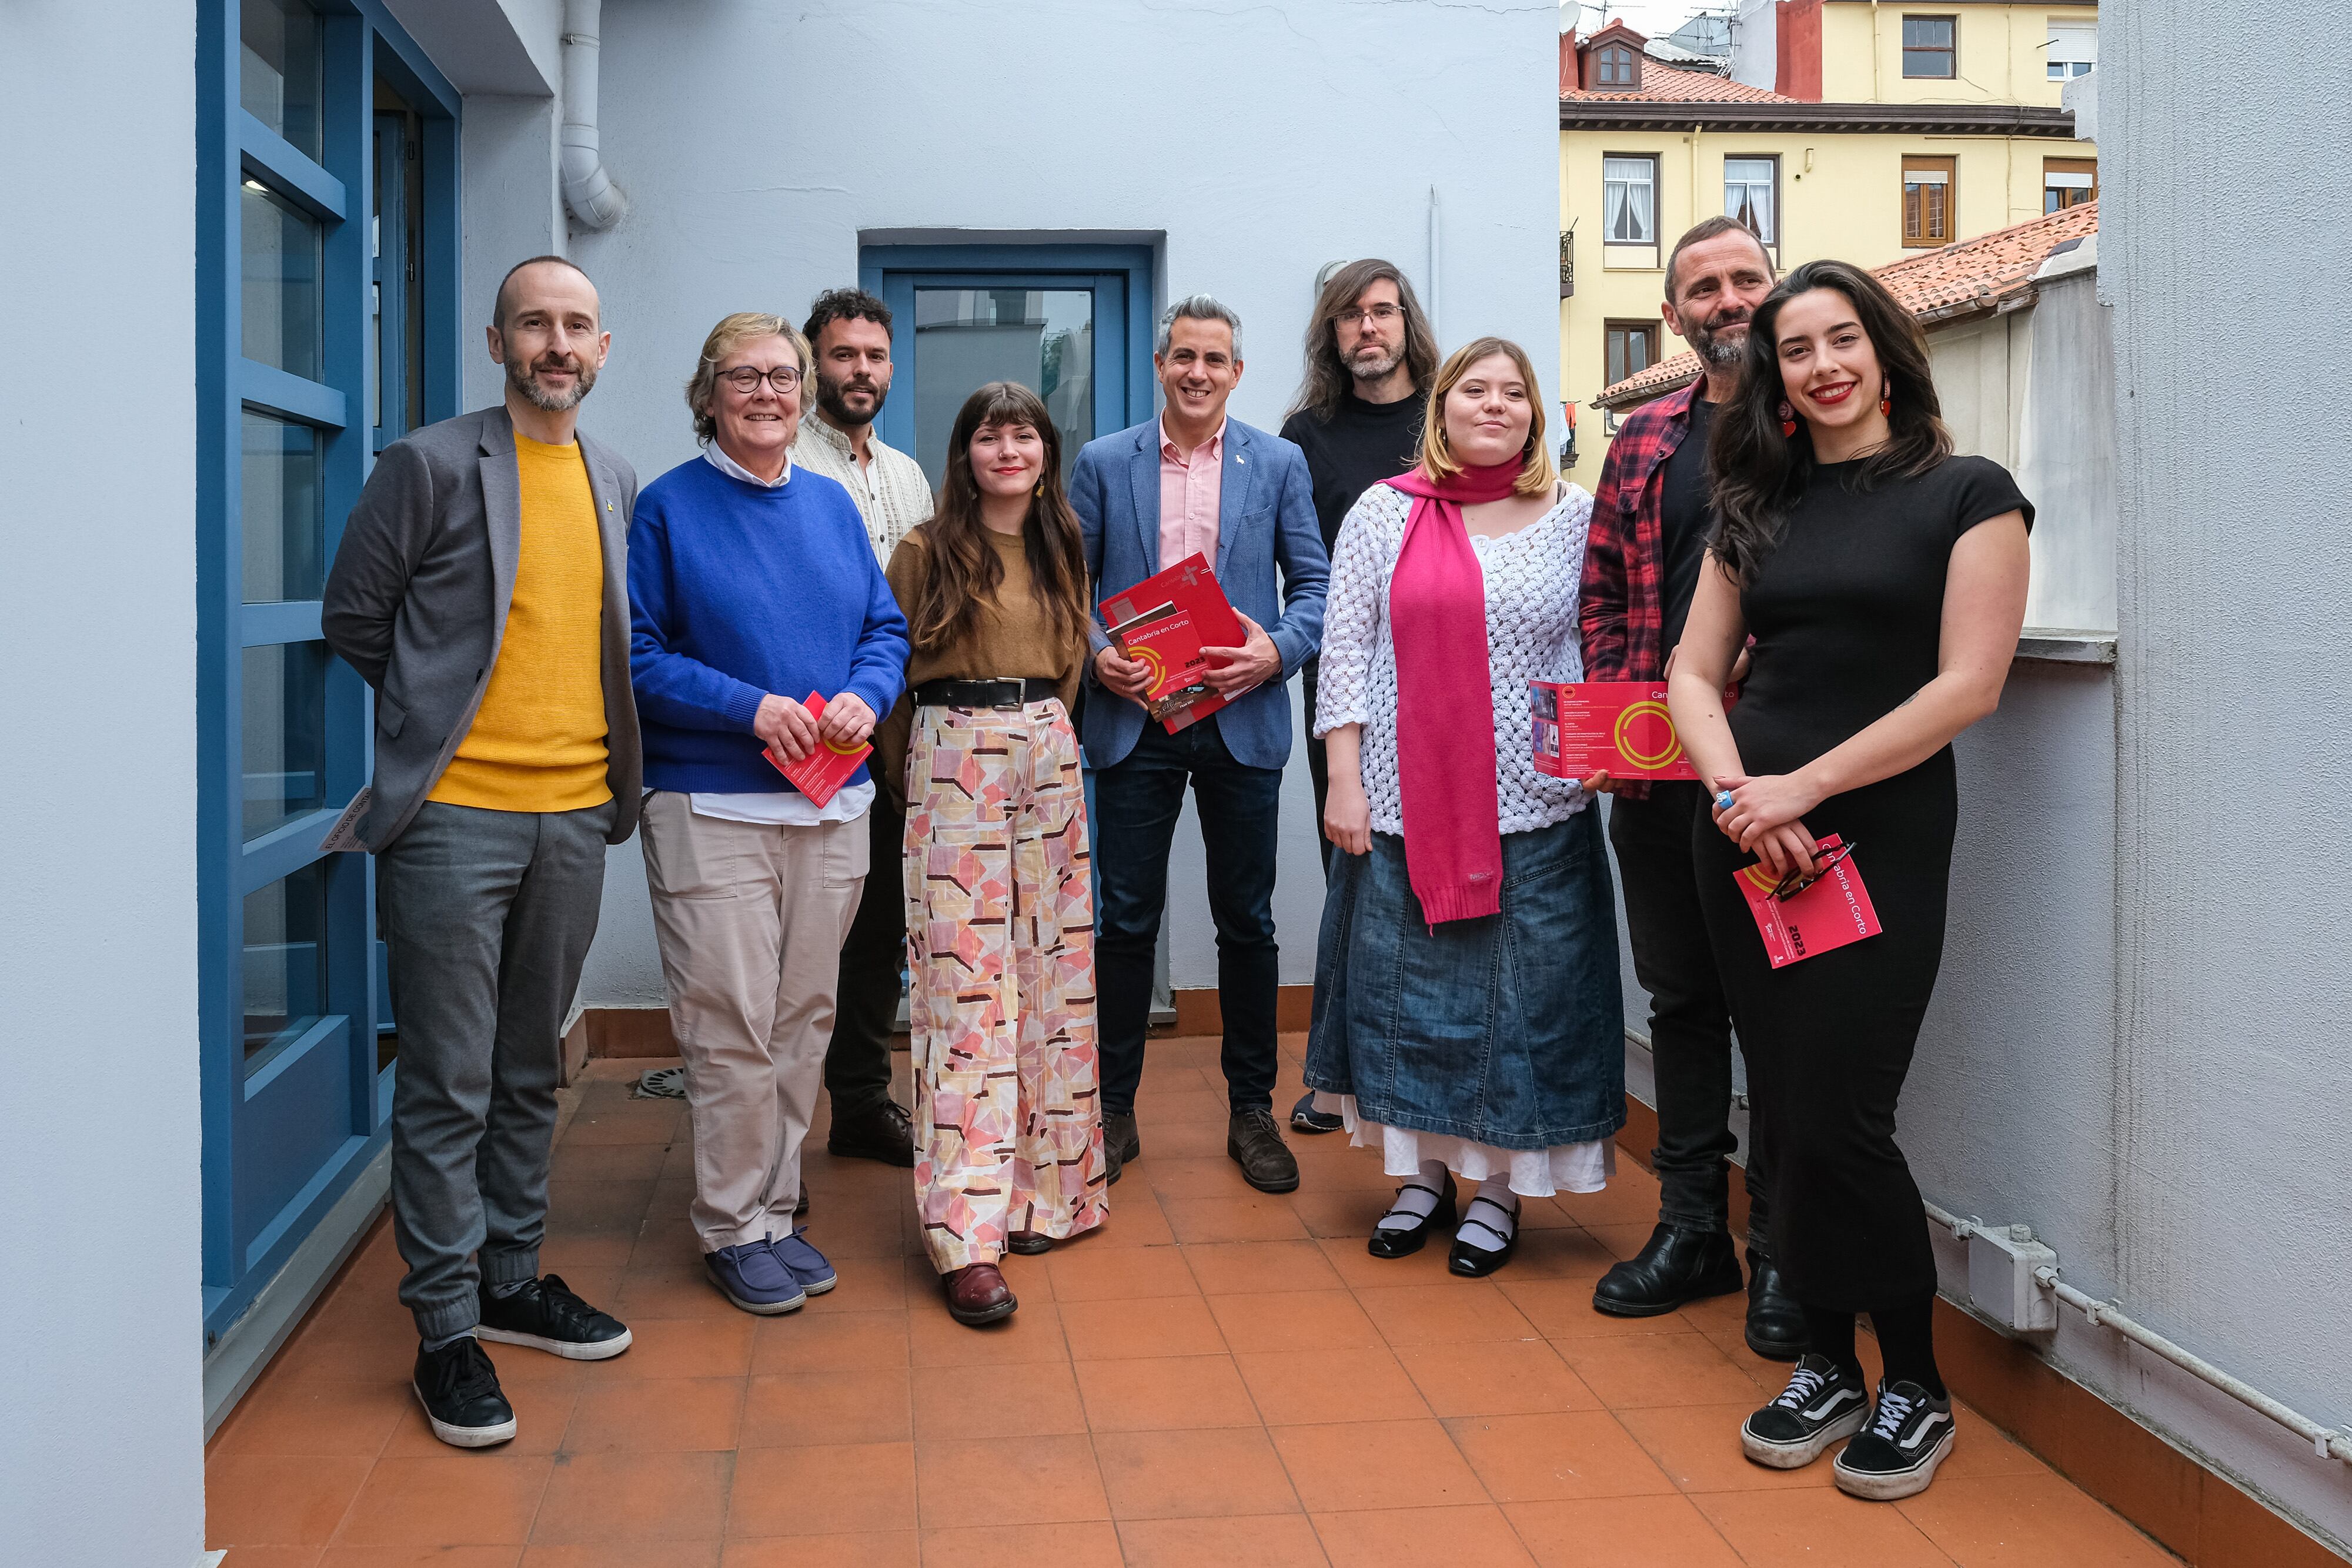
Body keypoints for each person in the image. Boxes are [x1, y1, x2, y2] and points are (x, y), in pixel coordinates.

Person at [1668, 259, 2030, 1501]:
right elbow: (1689, 674)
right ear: (1773, 377)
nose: (1821, 366)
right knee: (1782, 1106)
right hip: (1746, 842)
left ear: (1882, 353)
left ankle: (1915, 1383)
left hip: (1873, 832)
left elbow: (1968, 685)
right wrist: (1738, 797)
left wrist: (1802, 790)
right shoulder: (1753, 502)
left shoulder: (1969, 494)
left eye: (1841, 340)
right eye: (1796, 350)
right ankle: (1825, 1361)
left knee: (1845, 1115)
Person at [322, 255, 637, 1449]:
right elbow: (356, 616)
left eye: (577, 325)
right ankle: (445, 1327)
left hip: (575, 815)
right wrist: (431, 724)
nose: (558, 344)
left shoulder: (613, 475)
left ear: (601, 349)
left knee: (527, 1068)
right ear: (498, 342)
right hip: (455, 818)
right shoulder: (429, 464)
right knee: (448, 1078)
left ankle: (511, 1278)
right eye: (534, 324)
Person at [1305, 336, 1625, 1277]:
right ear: (1441, 407)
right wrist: (1344, 778)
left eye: (1513, 393)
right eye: (1475, 390)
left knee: (1521, 1010)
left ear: (1535, 415)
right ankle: (1422, 1179)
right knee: (1407, 1006)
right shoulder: (1385, 512)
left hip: (1538, 807)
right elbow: (1347, 651)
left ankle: (1499, 1191)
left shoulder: (1574, 516)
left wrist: (1609, 743)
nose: (1495, 405)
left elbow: (1599, 642)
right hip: (1401, 806)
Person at [627, 312, 911, 1318]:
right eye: (743, 377)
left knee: (803, 1019)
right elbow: (637, 654)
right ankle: (730, 1224)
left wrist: (866, 697)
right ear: (707, 395)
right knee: (730, 1025)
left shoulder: (829, 505)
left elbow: (885, 628)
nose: (767, 394)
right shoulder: (667, 508)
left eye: (783, 377)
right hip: (714, 804)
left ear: (804, 394)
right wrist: (747, 708)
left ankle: (777, 1211)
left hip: (831, 806)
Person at [1580, 216, 1808, 1359]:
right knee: (1679, 1001)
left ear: (1775, 288)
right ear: (1673, 315)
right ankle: (1690, 1228)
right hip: (1655, 775)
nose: (1727, 300)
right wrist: (1612, 720)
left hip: (1777, 772)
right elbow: (1604, 593)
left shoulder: (1812, 420)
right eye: (1704, 287)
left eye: (1745, 279)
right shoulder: (1645, 439)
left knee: (1777, 1009)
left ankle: (1782, 1252)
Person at [1071, 295, 1330, 1193]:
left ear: (1237, 372)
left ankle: (1251, 1111)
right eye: (1183, 356)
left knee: (1246, 922)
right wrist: (1097, 657)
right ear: (1161, 366)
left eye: (1215, 360)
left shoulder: (1280, 461)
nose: (1197, 373)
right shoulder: (1105, 462)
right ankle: (1111, 1110)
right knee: (1124, 922)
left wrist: (1275, 652)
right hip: (1136, 723)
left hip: (1239, 719)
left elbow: (1315, 586)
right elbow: (1068, 584)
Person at [877, 382, 1108, 1326]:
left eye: (1024, 435)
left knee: (1054, 978)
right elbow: (889, 683)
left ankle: (1046, 1195)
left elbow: (1074, 669)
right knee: (964, 990)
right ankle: (965, 1237)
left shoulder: (1064, 546)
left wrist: (1042, 742)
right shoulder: (924, 551)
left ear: (1046, 451)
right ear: (964, 453)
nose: (1008, 449)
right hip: (953, 756)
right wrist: (922, 785)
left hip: (1049, 751)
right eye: (988, 435)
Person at [1279, 260, 1439, 1135]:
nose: (1367, 327)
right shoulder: (1306, 435)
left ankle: (1426, 1069)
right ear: (1331, 334)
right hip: (1346, 691)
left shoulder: (1452, 412)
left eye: (1382, 311)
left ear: (1407, 322)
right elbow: (1301, 573)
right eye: (1350, 316)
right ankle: (1340, 1076)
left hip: (1453, 682)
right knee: (1354, 878)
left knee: (1441, 875)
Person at [790, 286, 937, 1169]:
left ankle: (859, 1103)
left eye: (875, 357)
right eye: (843, 355)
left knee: (880, 929)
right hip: (806, 735)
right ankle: (773, 1140)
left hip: (892, 731)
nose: (860, 371)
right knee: (799, 942)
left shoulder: (907, 475)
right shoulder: (783, 458)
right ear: (814, 363)